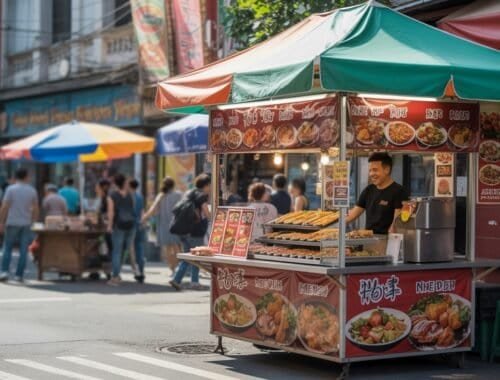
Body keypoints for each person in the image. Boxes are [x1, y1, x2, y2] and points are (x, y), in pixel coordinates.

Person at [346, 152, 408, 234]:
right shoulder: (368, 190)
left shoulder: (399, 191)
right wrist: (330, 221)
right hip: (368, 241)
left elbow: (396, 224)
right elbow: (352, 215)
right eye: (370, 170)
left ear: (387, 170)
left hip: (387, 242)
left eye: (375, 170)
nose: (371, 174)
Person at [170, 173, 211, 291]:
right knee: (195, 256)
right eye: (210, 185)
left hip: (184, 230)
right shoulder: (202, 196)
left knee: (188, 256)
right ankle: (193, 282)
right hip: (195, 230)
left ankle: (178, 279)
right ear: (206, 185)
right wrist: (213, 217)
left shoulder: (189, 193)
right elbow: (206, 212)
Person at [0, 168, 39, 282]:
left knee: (7, 247)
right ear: (26, 176)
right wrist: (34, 221)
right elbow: (36, 208)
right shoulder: (32, 190)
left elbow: (5, 206)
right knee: (23, 250)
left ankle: (4, 272)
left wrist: (1, 221)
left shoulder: (10, 189)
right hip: (26, 223)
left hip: (12, 222)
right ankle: (19, 275)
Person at [142, 176, 182, 273]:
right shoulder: (179, 195)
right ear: (173, 184)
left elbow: (153, 209)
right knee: (177, 247)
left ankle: (172, 269)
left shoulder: (161, 196)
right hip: (176, 225)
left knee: (167, 248)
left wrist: (144, 217)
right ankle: (179, 267)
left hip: (164, 226)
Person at [106, 174, 136, 286]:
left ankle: (115, 276)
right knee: (124, 251)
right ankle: (117, 273)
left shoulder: (112, 196)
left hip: (118, 225)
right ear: (124, 183)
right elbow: (133, 208)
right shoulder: (130, 195)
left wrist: (109, 226)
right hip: (131, 225)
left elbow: (111, 213)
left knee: (116, 251)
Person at [129, 179, 145, 283]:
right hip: (139, 223)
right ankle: (141, 270)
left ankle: (136, 271)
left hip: (130, 225)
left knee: (131, 249)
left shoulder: (129, 197)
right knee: (139, 247)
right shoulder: (140, 197)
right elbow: (142, 211)